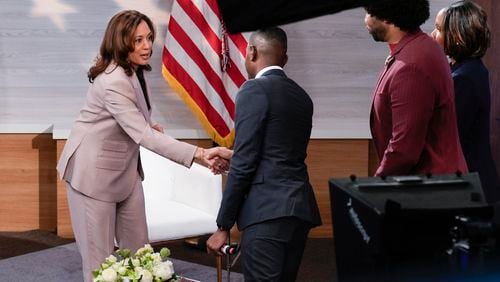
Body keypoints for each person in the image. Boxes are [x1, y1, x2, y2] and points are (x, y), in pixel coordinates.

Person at [56, 10, 227, 282]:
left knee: (140, 254)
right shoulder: (113, 81)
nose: (147, 46)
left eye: (148, 38)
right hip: (92, 177)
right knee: (99, 264)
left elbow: (135, 122)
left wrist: (149, 124)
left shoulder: (133, 71)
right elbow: (143, 135)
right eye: (138, 40)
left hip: (125, 172)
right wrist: (200, 154)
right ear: (121, 42)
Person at [206, 27, 322, 281]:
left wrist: (223, 226)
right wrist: (233, 155)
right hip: (298, 209)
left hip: (267, 210)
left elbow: (247, 163)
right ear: (285, 59)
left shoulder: (253, 90)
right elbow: (276, 151)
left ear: (252, 52)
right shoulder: (302, 97)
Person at [363, 0, 468, 177]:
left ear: (387, 17)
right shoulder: (419, 46)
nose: (365, 20)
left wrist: (375, 185)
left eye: (368, 12)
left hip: (431, 189)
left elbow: (404, 149)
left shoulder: (411, 65)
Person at [431, 1, 500, 203]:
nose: (433, 35)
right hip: (474, 179)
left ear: (458, 36)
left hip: (470, 184)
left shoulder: (463, 78)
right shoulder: (468, 69)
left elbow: (449, 136)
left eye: (438, 29)